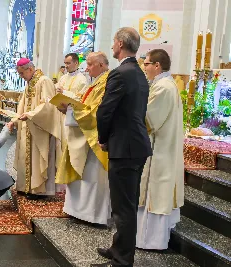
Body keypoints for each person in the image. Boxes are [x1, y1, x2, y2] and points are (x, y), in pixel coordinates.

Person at [95, 27, 152, 267]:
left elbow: (106, 110)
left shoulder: (120, 73)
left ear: (119, 44)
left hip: (125, 147)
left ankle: (122, 259)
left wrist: (103, 138)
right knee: (126, 203)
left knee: (123, 207)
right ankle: (119, 248)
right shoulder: (138, 72)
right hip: (135, 145)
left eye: (113, 43)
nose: (112, 46)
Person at [136, 49, 184, 250]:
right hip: (160, 147)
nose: (144, 67)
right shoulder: (164, 84)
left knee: (155, 193)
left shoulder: (163, 87)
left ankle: (150, 241)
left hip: (159, 150)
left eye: (146, 64)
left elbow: (149, 119)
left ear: (157, 65)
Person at [56, 52, 111, 224]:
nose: (86, 68)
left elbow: (96, 111)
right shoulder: (94, 82)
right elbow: (84, 102)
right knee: (81, 173)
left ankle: (92, 215)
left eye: (90, 64)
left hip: (93, 138)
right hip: (83, 134)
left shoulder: (107, 82)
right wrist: (68, 106)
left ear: (101, 65)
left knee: (92, 177)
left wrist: (72, 109)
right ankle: (76, 210)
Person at [13, 58, 63, 200]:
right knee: (25, 156)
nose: (21, 77)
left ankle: (40, 191)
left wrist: (30, 115)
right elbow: (23, 103)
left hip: (40, 126)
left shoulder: (44, 81)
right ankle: (25, 187)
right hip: (28, 125)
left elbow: (48, 105)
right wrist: (16, 119)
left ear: (30, 69)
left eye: (22, 73)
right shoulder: (30, 83)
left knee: (38, 158)